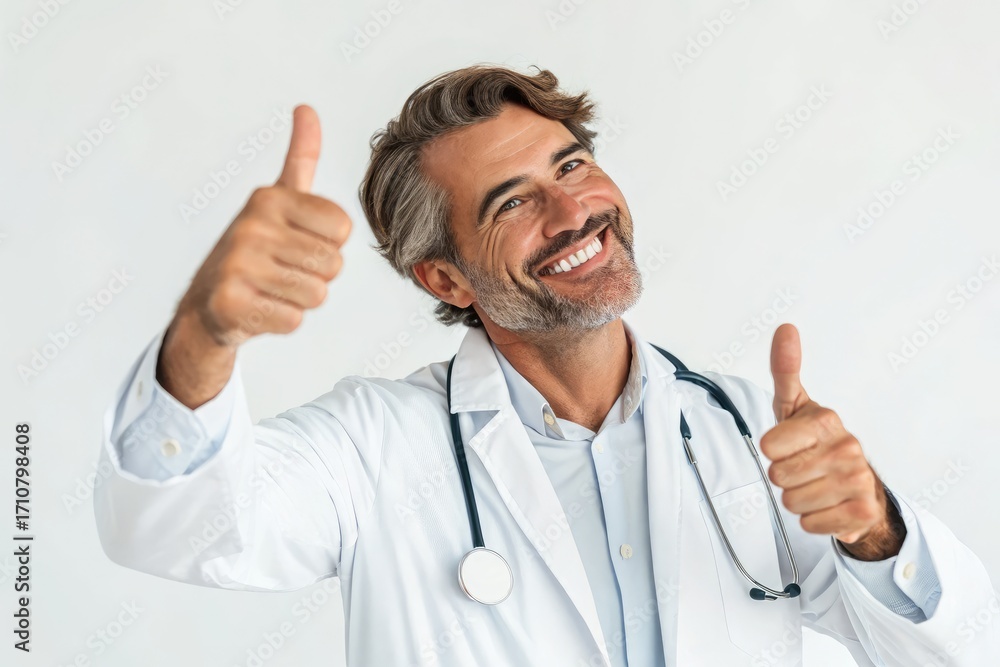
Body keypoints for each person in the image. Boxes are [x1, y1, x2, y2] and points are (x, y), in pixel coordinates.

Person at [94, 65, 998, 666]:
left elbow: (960, 650)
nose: (574, 213)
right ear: (445, 277)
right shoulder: (373, 447)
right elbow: (178, 529)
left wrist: (875, 530)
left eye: (571, 166)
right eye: (512, 202)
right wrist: (205, 333)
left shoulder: (751, 428)